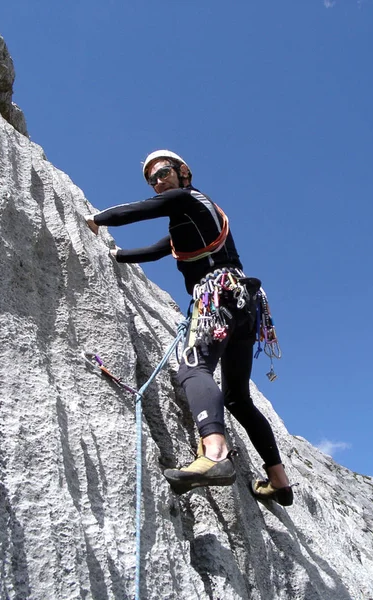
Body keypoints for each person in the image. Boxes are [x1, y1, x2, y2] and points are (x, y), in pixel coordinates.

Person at [85, 150, 293, 506]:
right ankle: (279, 481)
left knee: (193, 367)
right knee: (237, 398)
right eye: (151, 178)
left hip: (218, 297)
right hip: (243, 306)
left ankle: (214, 455)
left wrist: (94, 220)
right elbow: (156, 250)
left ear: (183, 172)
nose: (157, 181)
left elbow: (140, 209)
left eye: (163, 173)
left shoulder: (186, 198)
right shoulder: (192, 216)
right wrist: (116, 256)